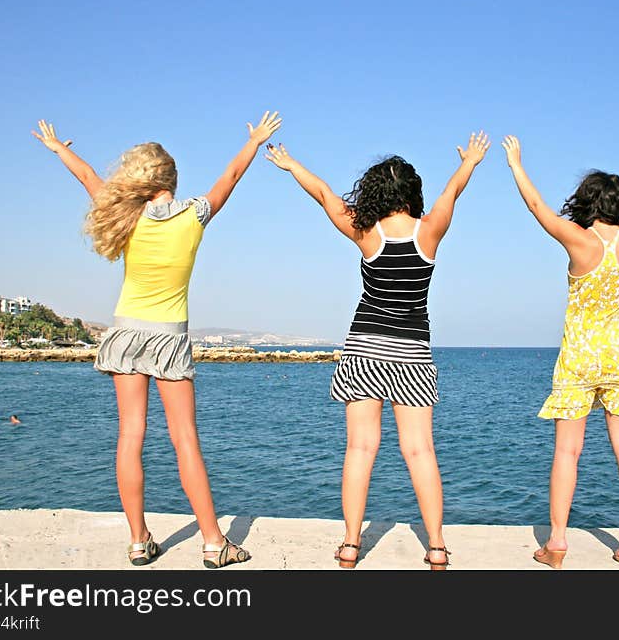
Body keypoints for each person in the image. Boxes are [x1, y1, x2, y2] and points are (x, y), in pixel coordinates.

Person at [33, 112, 282, 568]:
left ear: (137, 180)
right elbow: (231, 176)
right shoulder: (195, 215)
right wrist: (256, 141)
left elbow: (88, 175)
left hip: (125, 332)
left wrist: (57, 147)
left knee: (130, 436)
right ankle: (213, 543)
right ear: (173, 178)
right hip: (168, 337)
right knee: (185, 438)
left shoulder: (125, 216)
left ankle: (138, 540)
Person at [265, 132, 491, 569]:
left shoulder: (366, 232)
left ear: (376, 192)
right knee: (420, 450)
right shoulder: (430, 232)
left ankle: (351, 545)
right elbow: (452, 191)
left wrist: (292, 165)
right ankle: (438, 547)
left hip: (364, 348)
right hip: (412, 355)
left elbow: (324, 195)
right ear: (411, 192)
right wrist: (471, 162)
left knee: (361, 449)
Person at [502, 135, 619, 570]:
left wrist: (517, 165)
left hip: (579, 356)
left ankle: (556, 543)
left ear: (587, 201)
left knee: (567, 453)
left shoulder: (579, 239)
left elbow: (537, 207)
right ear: (617, 204)